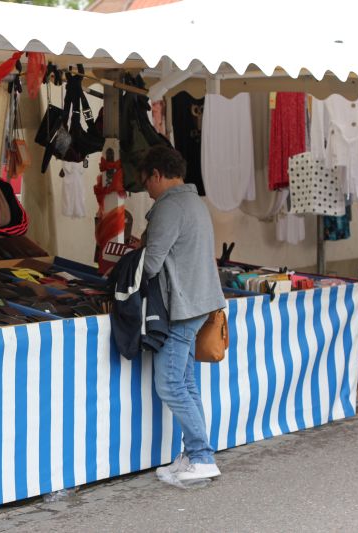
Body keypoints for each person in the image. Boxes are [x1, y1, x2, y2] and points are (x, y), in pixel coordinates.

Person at [140, 145, 226, 482]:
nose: (146, 189)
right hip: (198, 302)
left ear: (157, 175)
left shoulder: (169, 206)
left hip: (182, 305)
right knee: (185, 382)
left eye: (146, 181)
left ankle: (202, 456)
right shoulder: (194, 202)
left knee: (170, 383)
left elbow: (151, 264)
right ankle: (194, 454)